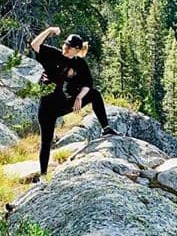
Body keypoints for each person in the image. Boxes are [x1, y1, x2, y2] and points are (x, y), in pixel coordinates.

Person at [29, 25, 116, 177]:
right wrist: (50, 30)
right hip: (47, 107)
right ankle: (43, 176)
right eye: (65, 44)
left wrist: (79, 97)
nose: (65, 48)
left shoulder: (79, 63)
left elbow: (88, 84)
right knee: (46, 142)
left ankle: (106, 128)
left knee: (95, 94)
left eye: (69, 47)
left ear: (77, 50)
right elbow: (35, 45)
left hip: (63, 103)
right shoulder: (53, 55)